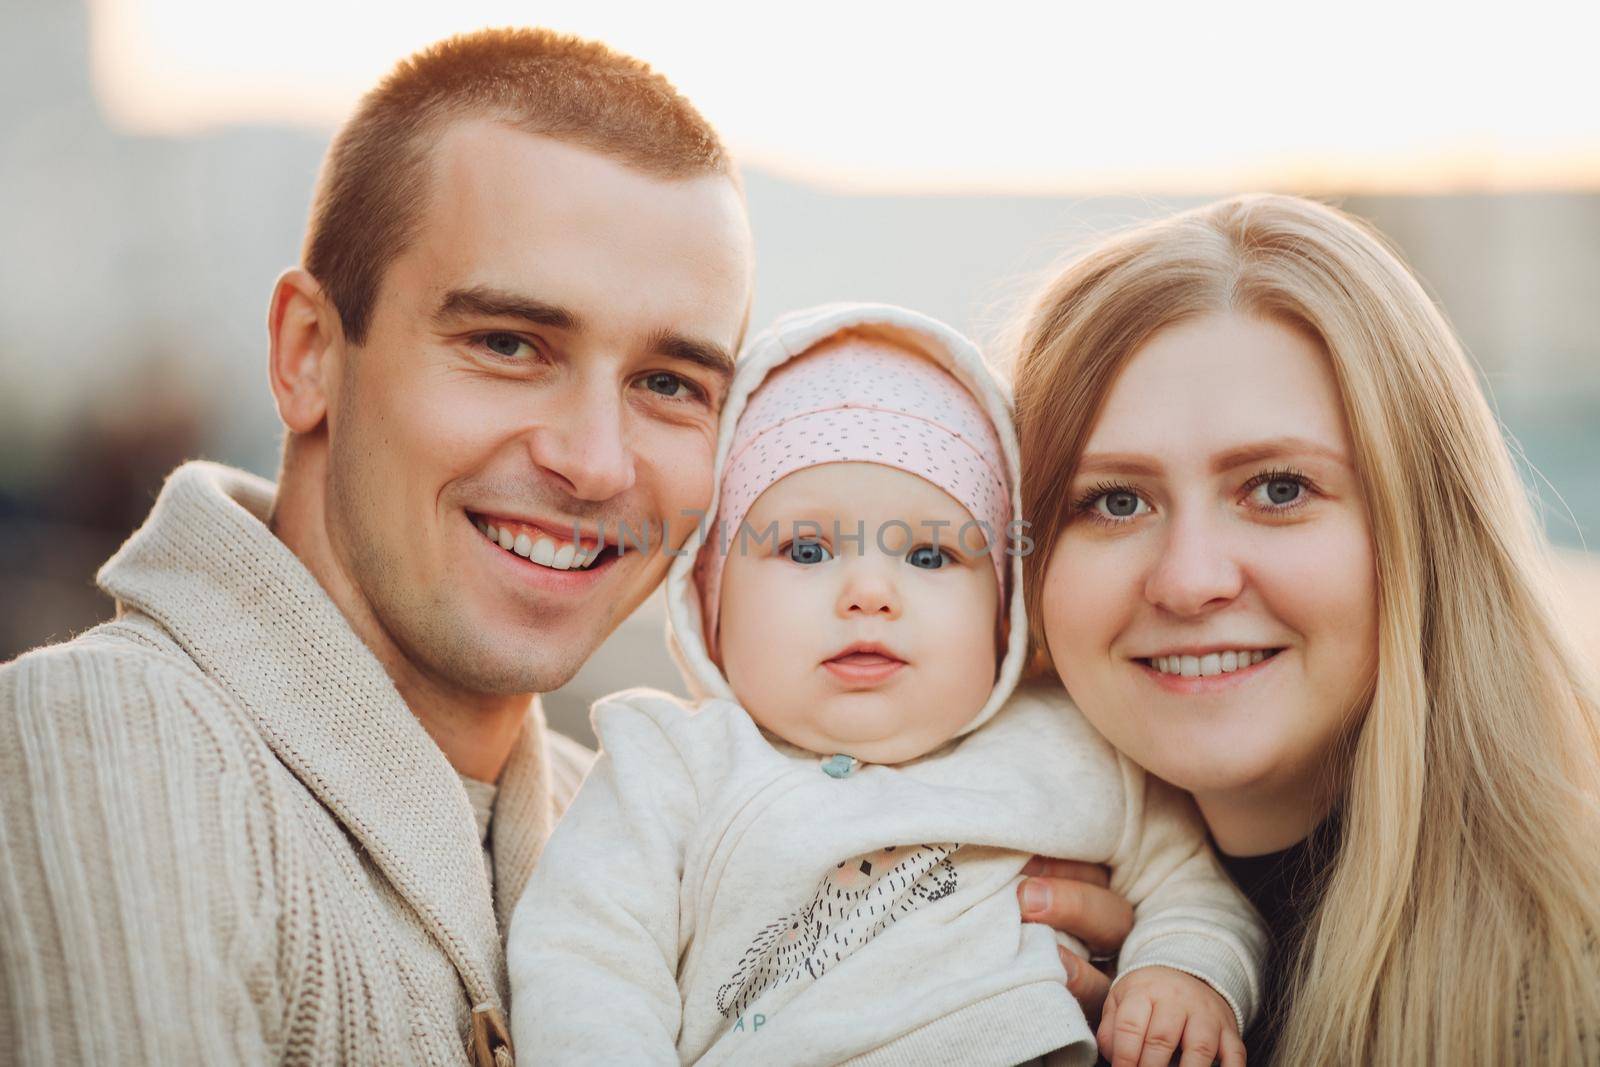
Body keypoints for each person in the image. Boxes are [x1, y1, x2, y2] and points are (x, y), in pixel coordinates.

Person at [0, 28, 752, 1065]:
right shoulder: (117, 738)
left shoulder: (640, 834)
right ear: (309, 353)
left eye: (670, 382)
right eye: (507, 343)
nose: (595, 461)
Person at [507, 304, 1266, 1066]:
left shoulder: (1077, 744)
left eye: (931, 557)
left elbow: (1193, 888)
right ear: (711, 596)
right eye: (806, 549)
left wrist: (1181, 968)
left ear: (1004, 615)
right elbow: (586, 957)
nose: (869, 592)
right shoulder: (672, 765)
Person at [1009, 194, 1600, 1064]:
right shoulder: (958, 930)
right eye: (1114, 501)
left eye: (1278, 488)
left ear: (1423, 533)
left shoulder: (1569, 990)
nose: (1188, 579)